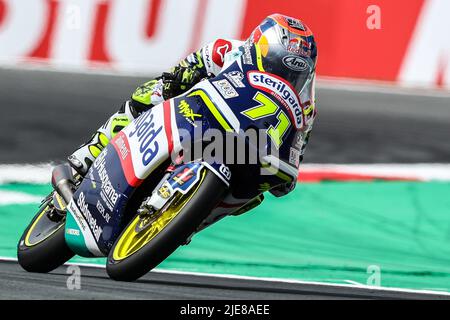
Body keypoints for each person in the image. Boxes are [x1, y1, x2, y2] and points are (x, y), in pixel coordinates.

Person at [68, 13, 317, 212]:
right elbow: (180, 74)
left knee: (256, 197)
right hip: (197, 114)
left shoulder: (306, 107)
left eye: (296, 74)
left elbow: (291, 166)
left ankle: (189, 218)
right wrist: (173, 85)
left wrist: (282, 177)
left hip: (243, 146)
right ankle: (92, 150)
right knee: (150, 94)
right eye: (278, 66)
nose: (287, 78)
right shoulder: (226, 50)